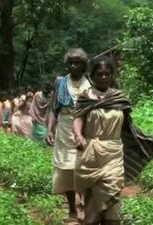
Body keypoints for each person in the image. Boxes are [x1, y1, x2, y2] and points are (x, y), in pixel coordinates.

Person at [73, 56, 153, 225]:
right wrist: (78, 134)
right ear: (92, 76)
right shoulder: (85, 98)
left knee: (112, 197)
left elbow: (129, 127)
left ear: (112, 75)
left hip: (113, 153)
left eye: (107, 73)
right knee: (91, 204)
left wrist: (145, 140)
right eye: (99, 74)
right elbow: (78, 118)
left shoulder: (119, 98)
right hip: (90, 153)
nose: (103, 77)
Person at [47, 48, 92, 221]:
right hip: (65, 129)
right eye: (70, 62)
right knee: (66, 169)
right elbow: (53, 109)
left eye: (77, 62)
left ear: (83, 64)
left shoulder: (90, 82)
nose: (73, 65)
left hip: (86, 130)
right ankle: (73, 208)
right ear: (67, 65)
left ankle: (85, 204)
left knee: (84, 168)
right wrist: (50, 129)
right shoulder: (60, 83)